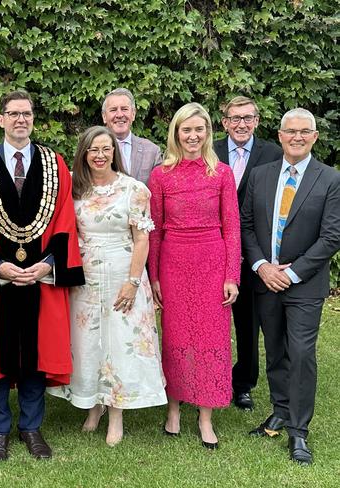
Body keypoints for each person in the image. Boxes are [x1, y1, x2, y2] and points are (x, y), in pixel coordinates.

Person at [0, 90, 84, 462]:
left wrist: (47, 264)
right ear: (0, 119)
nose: (20, 120)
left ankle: (31, 427)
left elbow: (64, 218)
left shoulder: (54, 162)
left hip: (39, 278)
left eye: (26, 114)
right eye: (12, 113)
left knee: (37, 354)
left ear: (33, 119)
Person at [48, 126, 166, 446]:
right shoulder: (74, 188)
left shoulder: (134, 189)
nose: (100, 155)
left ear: (114, 151)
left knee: (118, 342)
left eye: (106, 149)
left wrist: (131, 282)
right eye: (93, 150)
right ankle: (93, 404)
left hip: (122, 271)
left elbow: (142, 239)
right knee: (88, 342)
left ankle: (116, 414)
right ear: (84, 153)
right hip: (85, 276)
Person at [241, 108, 340, 465]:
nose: (296, 137)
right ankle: (280, 410)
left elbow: (331, 236)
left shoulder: (330, 179)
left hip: (304, 286)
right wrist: (262, 266)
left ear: (315, 137)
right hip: (266, 280)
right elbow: (247, 225)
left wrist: (292, 273)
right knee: (276, 352)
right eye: (290, 131)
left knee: (300, 354)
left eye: (304, 132)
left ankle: (299, 431)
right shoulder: (260, 175)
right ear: (280, 136)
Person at [147, 102, 240, 450]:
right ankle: (173, 409)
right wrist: (153, 276)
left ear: (208, 133)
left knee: (211, 339)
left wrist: (232, 275)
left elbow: (232, 228)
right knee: (174, 338)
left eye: (199, 129)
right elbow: (154, 230)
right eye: (186, 129)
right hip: (173, 262)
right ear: (176, 133)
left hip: (212, 262)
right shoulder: (160, 175)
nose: (192, 135)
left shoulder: (222, 174)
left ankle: (205, 417)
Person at [213, 96, 283, 411]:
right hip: (212, 247)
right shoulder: (208, 150)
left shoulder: (273, 154)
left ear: (257, 120)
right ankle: (201, 378)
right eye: (235, 118)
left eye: (248, 118)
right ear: (224, 121)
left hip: (254, 249)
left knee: (248, 320)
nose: (242, 124)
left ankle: (242, 383)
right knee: (207, 319)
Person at [101, 88, 162, 184]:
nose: (120, 114)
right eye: (113, 110)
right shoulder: (93, 151)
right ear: (104, 116)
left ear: (133, 114)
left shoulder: (152, 151)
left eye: (124, 109)